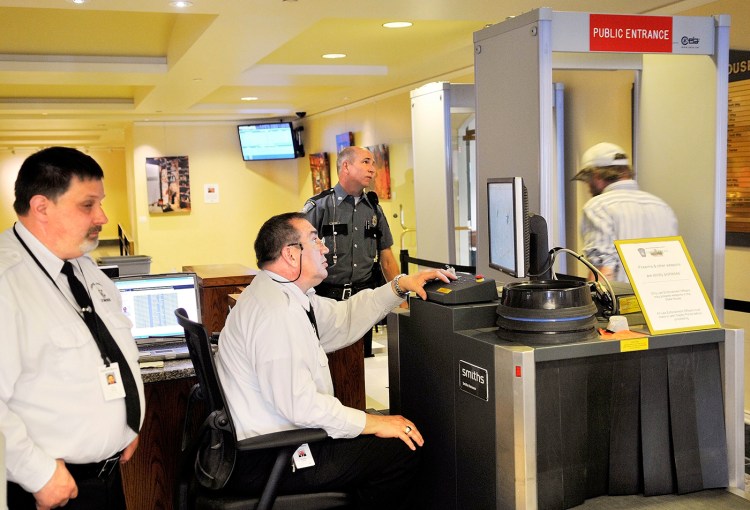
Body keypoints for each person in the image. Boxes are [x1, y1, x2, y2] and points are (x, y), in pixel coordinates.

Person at [215, 212, 455, 509]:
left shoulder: (278, 295)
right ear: (291, 254)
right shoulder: (277, 314)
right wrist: (372, 423)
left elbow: (344, 317)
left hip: (272, 444)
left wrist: (399, 285)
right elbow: (300, 406)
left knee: (380, 433)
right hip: (271, 457)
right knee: (401, 449)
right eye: (315, 240)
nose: (326, 248)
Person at [0, 146, 145, 509]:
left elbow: (107, 352)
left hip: (106, 476)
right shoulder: (7, 281)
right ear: (42, 207)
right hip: (47, 489)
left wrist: (125, 425)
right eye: (88, 205)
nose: (103, 216)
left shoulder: (82, 266)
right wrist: (37, 474)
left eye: (101, 203)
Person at [303, 146, 400, 357]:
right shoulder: (319, 206)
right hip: (326, 298)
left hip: (363, 299)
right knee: (326, 361)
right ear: (346, 166)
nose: (372, 169)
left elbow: (387, 257)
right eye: (366, 162)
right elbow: (301, 253)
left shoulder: (374, 208)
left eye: (373, 163)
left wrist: (399, 296)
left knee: (358, 365)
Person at [573, 142, 678, 282]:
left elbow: (603, 269)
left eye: (587, 180)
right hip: (659, 300)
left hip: (622, 301)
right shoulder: (661, 206)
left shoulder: (598, 206)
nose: (588, 187)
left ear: (596, 176)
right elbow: (671, 261)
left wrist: (593, 300)